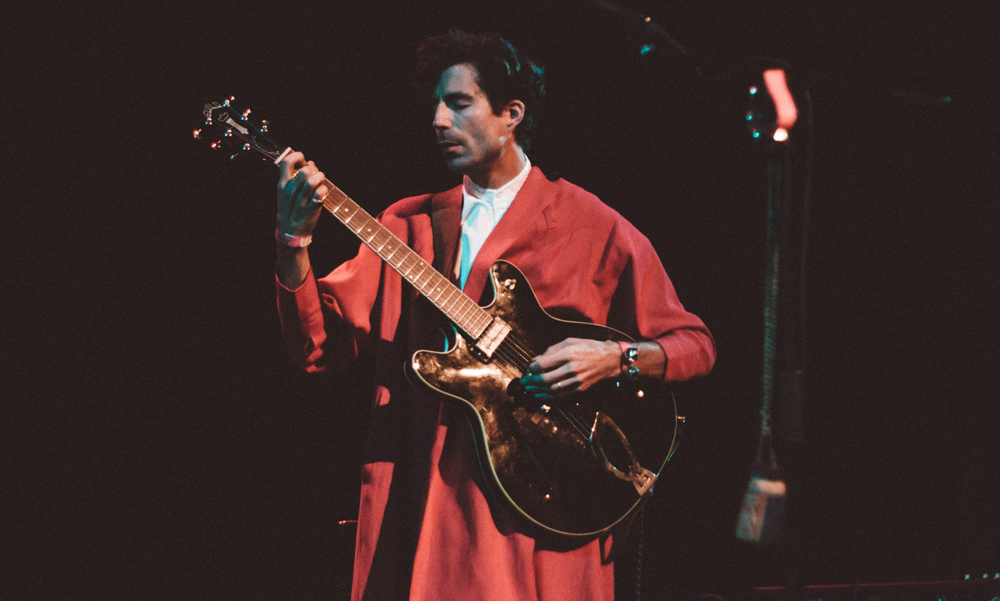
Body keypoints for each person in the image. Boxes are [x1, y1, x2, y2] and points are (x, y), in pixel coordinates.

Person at [274, 30, 716, 600]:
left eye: (457, 103)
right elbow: (319, 346)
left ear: (511, 114)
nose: (437, 119)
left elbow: (693, 344)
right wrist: (293, 245)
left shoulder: (591, 224)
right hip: (432, 500)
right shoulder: (406, 226)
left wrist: (615, 358)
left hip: (543, 512)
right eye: (434, 104)